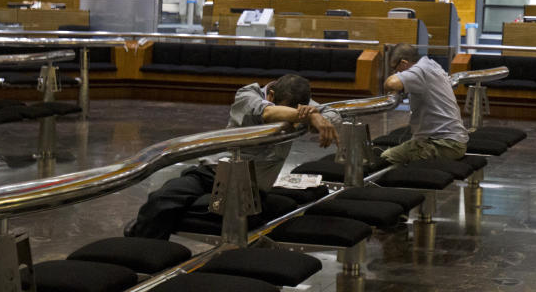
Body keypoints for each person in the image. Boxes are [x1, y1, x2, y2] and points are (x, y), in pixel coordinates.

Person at [126, 74, 339, 239]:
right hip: (211, 172)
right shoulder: (248, 94)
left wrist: (314, 114)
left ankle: (146, 234)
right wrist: (309, 116)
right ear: (271, 95)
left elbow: (334, 116)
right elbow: (266, 113)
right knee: (161, 200)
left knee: (169, 211)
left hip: (248, 190)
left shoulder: (302, 102)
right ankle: (140, 251)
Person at [381, 44, 468, 165]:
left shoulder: (419, 71)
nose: (395, 72)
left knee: (386, 157)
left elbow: (390, 83)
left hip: (444, 144)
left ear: (404, 63)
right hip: (451, 141)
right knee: (404, 149)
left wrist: (397, 84)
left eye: (395, 68)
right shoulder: (431, 65)